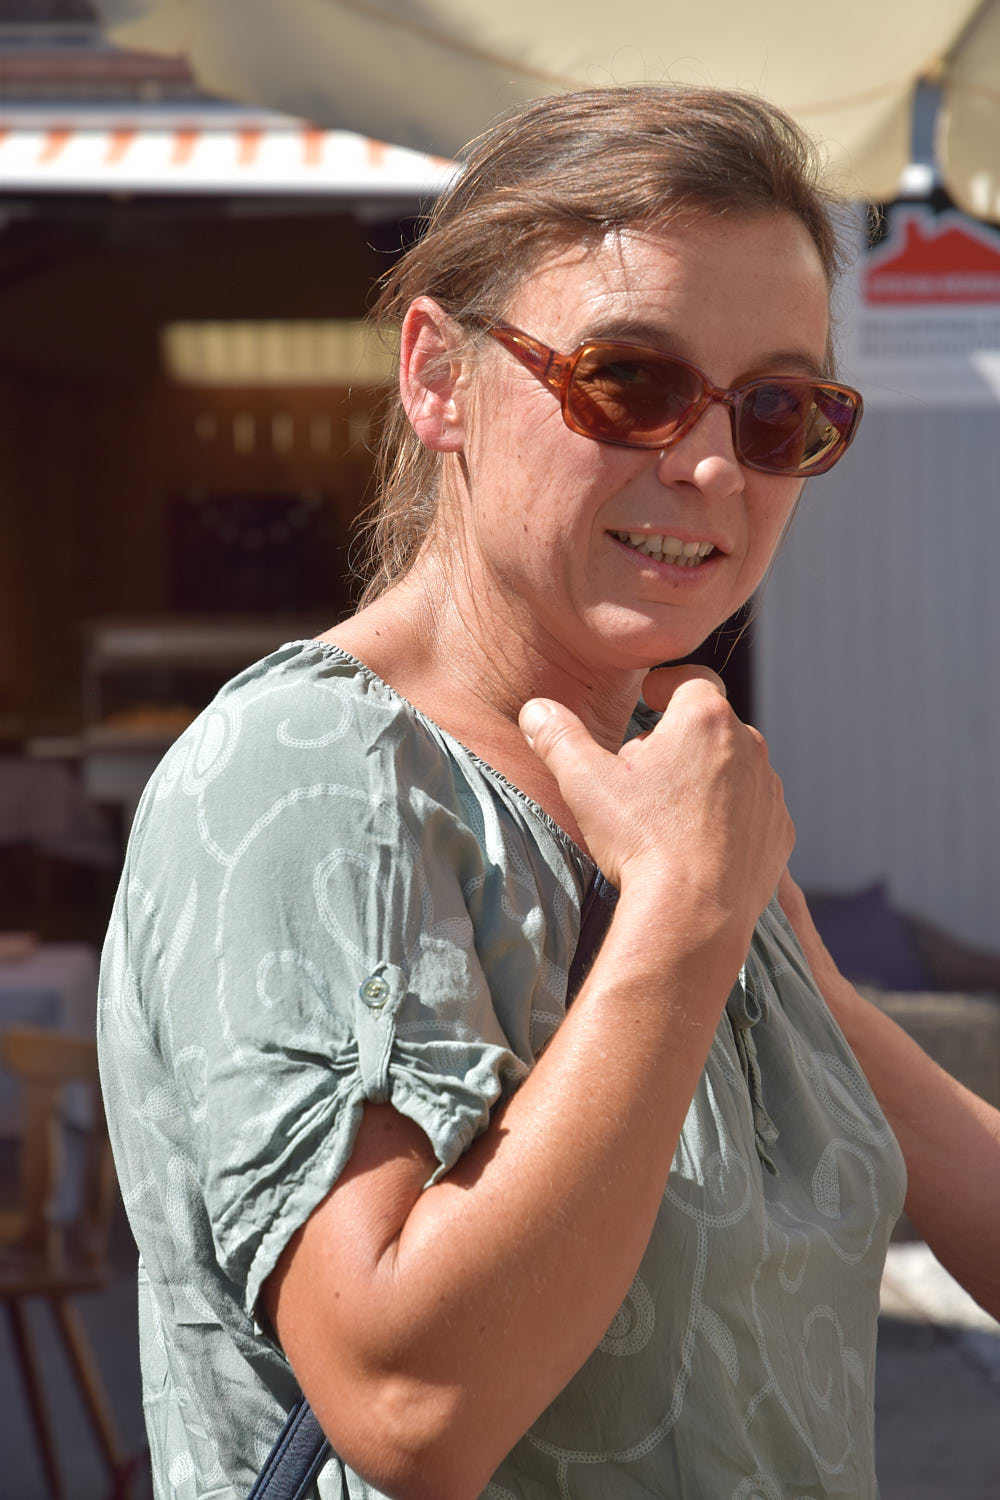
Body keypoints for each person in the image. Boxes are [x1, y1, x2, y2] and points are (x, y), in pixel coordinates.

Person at [97, 84, 1000, 1500]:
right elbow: (409, 1399)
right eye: (629, 380)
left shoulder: (670, 797)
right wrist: (682, 916)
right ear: (437, 377)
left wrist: (713, 895)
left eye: (778, 410)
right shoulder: (321, 774)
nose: (712, 462)